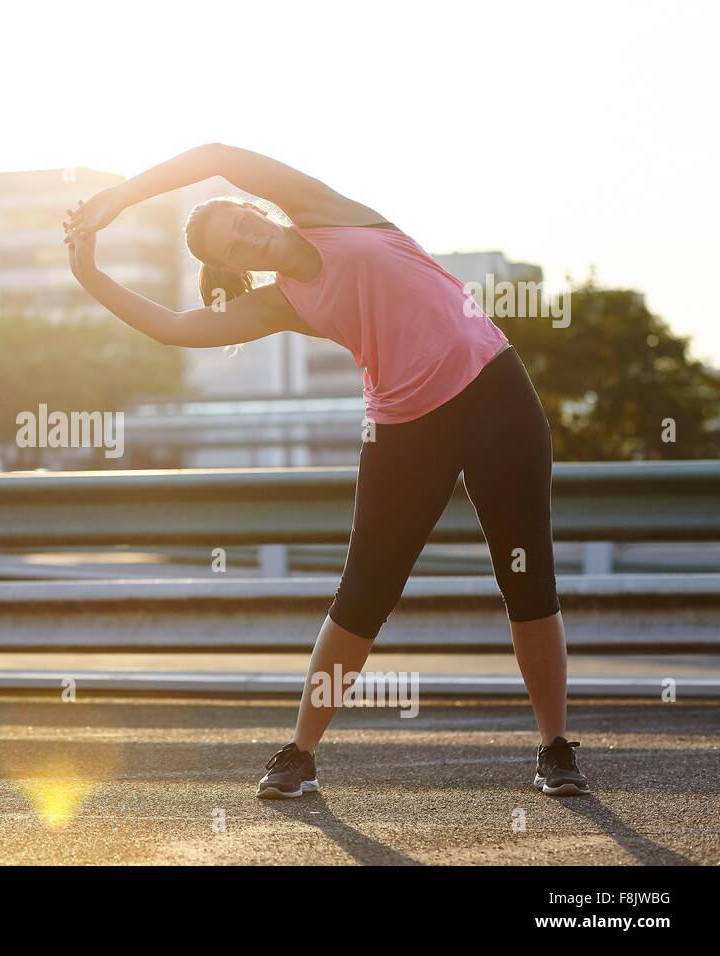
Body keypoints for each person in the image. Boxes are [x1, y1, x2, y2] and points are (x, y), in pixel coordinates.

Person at [63, 142, 590, 799]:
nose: (248, 233)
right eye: (234, 243)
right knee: (363, 591)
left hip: (494, 393)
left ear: (256, 207)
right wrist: (90, 277)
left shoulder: (327, 211)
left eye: (241, 218)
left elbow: (216, 154)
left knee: (526, 573)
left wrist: (118, 197)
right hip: (405, 426)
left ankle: (556, 750)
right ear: (235, 265)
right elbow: (173, 326)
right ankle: (300, 754)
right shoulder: (280, 304)